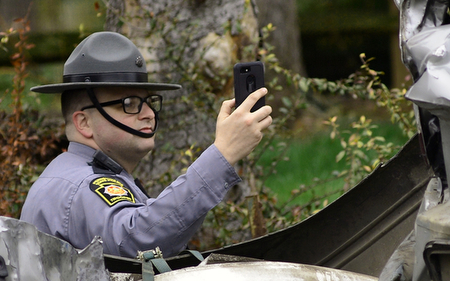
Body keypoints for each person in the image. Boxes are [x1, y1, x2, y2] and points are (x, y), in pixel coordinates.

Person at [20, 31, 273, 258]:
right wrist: (223, 154)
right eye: (129, 103)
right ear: (84, 123)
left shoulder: (81, 173)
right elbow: (138, 240)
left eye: (148, 101)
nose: (148, 114)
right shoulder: (83, 184)